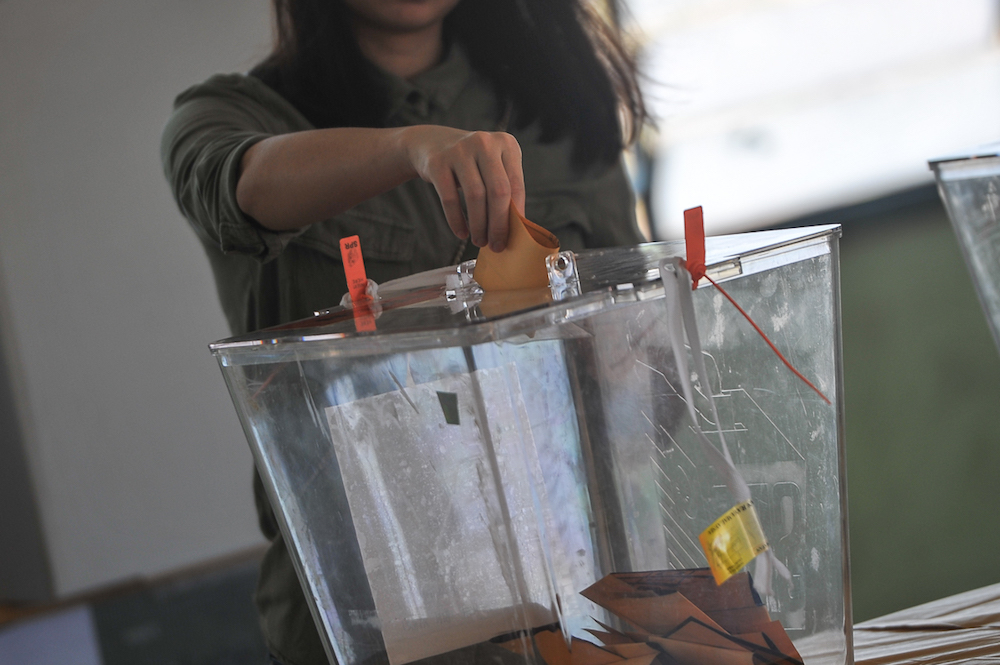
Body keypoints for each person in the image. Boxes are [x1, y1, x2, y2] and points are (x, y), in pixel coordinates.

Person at [161, 0, 648, 663]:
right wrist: (408, 147)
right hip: (365, 630)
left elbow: (647, 389)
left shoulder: (555, 105)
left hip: (573, 612)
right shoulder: (237, 113)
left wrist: (634, 370)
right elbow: (236, 183)